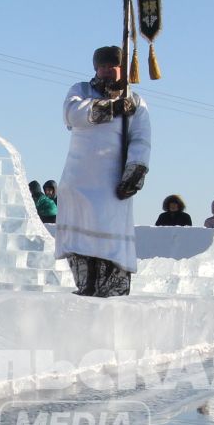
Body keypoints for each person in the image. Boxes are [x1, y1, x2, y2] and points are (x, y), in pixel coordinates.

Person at [55, 44, 150, 297]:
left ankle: (109, 290)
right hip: (78, 180)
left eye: (113, 66)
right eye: (103, 66)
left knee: (109, 238)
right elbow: (71, 115)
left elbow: (141, 139)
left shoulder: (136, 102)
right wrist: (110, 108)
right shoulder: (81, 90)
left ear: (123, 68)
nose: (108, 71)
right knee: (80, 240)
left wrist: (135, 171)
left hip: (111, 184)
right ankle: (85, 286)